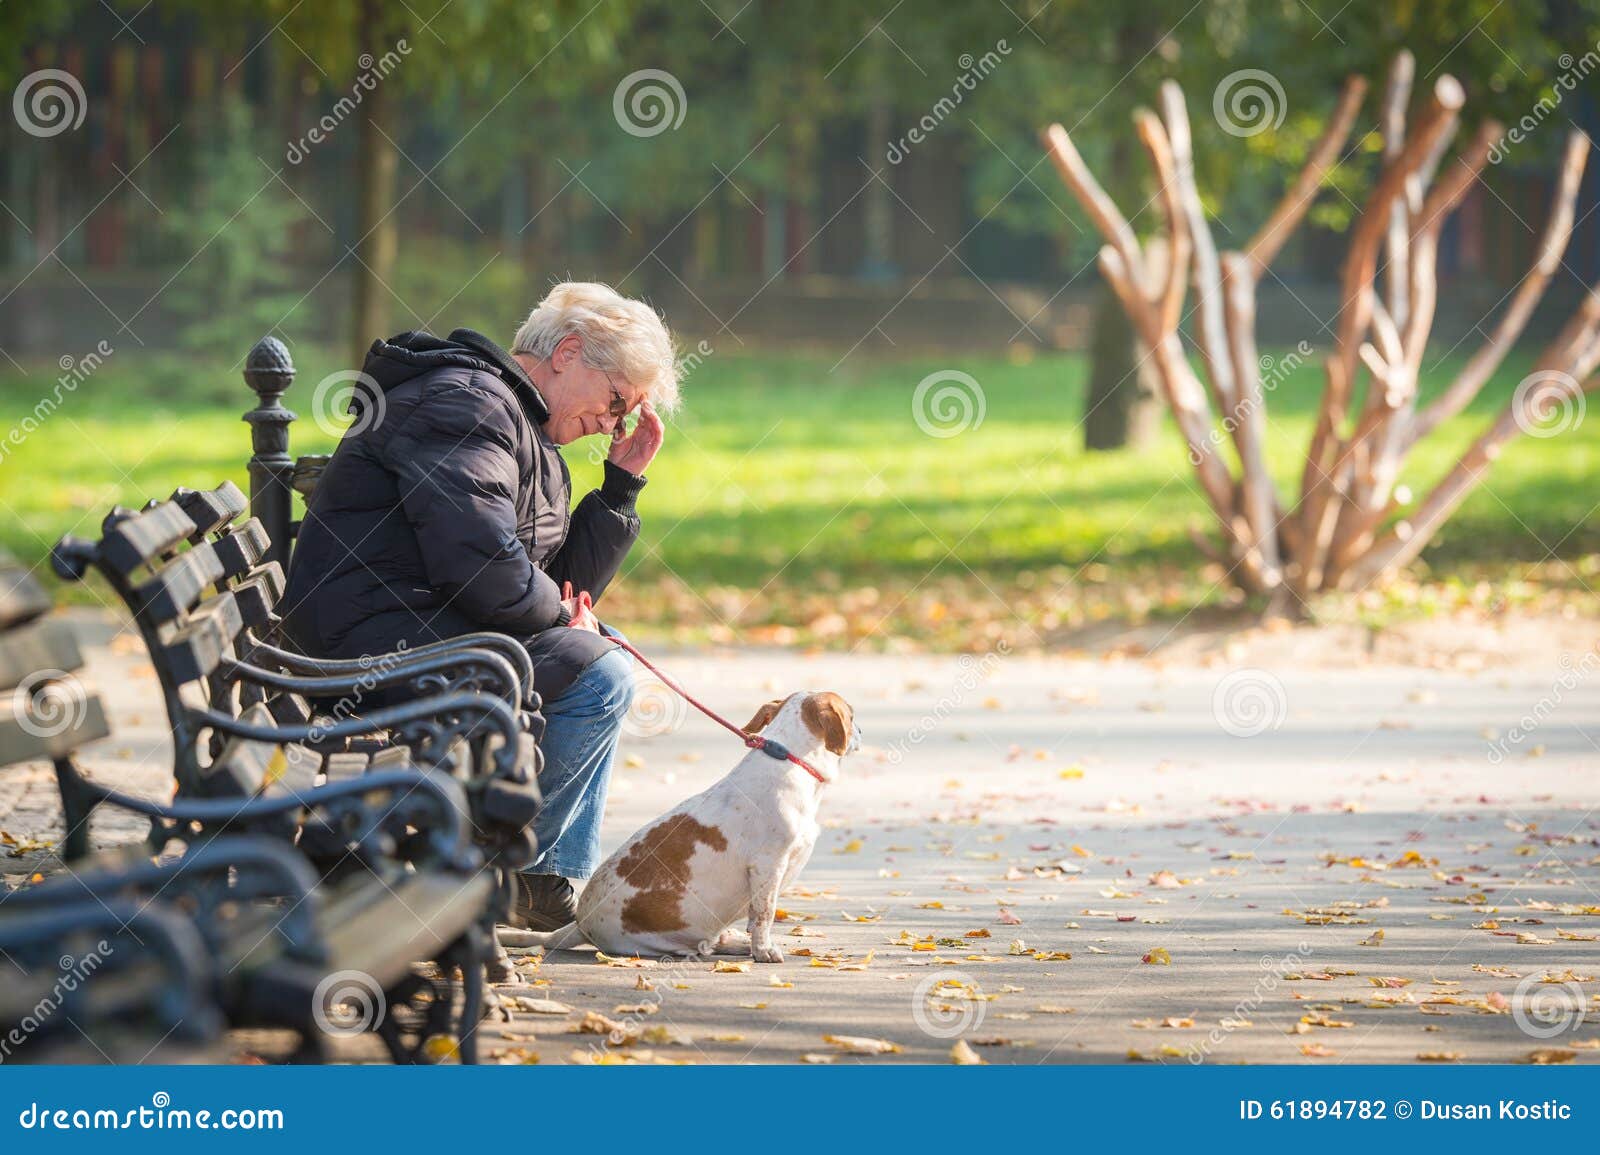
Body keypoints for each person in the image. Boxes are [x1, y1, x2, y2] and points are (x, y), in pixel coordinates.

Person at [281, 281, 679, 930]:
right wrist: (565, 618)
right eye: (615, 402)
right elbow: (483, 570)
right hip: (369, 642)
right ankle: (499, 878)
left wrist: (620, 488)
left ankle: (534, 877)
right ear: (568, 352)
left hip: (425, 626)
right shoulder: (466, 405)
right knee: (597, 669)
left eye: (626, 413)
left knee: (596, 653)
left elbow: (553, 586)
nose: (613, 423)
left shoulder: (522, 427)